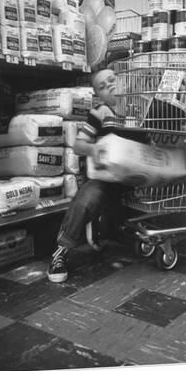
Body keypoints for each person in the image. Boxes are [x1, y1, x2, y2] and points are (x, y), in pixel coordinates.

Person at [47, 68, 125, 283]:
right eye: (102, 86)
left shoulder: (141, 109)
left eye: (112, 79)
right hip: (107, 178)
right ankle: (61, 252)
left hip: (136, 177)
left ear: (123, 80)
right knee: (86, 199)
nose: (109, 85)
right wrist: (95, 150)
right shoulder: (99, 113)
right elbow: (79, 144)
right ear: (98, 95)